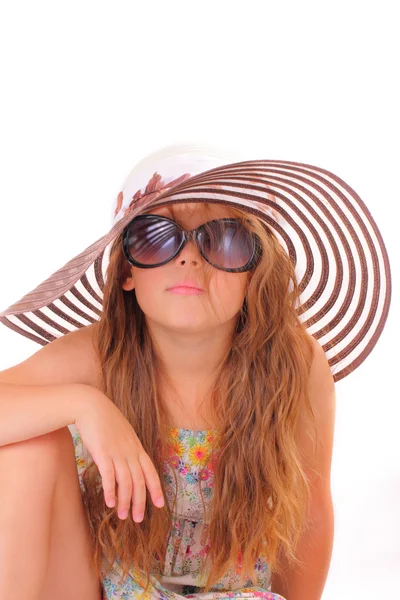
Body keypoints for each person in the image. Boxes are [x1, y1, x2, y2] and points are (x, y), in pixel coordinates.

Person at [0, 143, 392, 599]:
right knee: (28, 441)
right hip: (101, 589)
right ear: (127, 271)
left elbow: (310, 514)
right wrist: (84, 404)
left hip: (234, 593)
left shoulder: (294, 365)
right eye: (156, 237)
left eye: (222, 239)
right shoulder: (95, 357)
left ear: (253, 271)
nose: (188, 257)